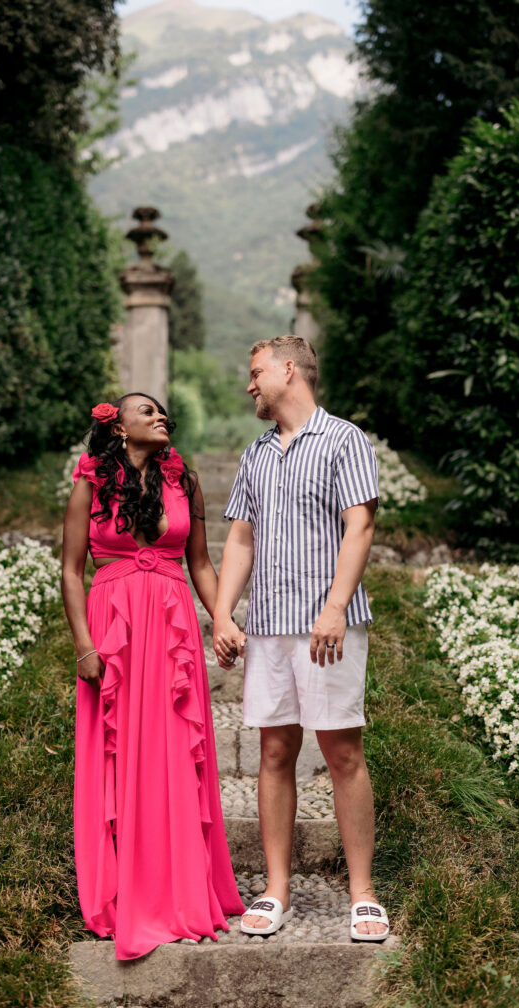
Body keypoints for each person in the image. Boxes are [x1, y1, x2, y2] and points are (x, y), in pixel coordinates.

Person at [213, 336, 389, 942]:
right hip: (267, 627)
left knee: (343, 754)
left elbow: (359, 525)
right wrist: (223, 614)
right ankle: (276, 888)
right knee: (273, 753)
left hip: (327, 627)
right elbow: (240, 539)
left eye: (256, 371)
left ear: (289, 371)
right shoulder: (255, 454)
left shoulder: (345, 439)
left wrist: (337, 606)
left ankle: (363, 895)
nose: (250, 384)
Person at [62, 393, 244, 960]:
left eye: (164, 412)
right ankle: (121, 891)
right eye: (148, 411)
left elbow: (201, 564)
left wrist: (223, 619)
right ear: (117, 427)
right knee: (118, 758)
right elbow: (70, 570)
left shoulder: (182, 480)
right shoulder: (90, 480)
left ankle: (181, 887)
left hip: (170, 629)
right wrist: (84, 648)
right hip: (113, 630)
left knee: (172, 754)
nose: (161, 416)